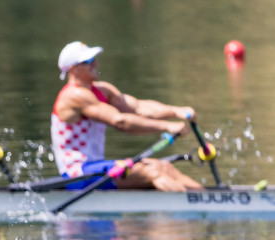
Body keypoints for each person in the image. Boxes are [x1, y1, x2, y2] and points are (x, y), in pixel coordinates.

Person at [51, 41, 203, 191]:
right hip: (77, 174)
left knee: (165, 166)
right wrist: (168, 126)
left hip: (95, 168)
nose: (95, 64)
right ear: (73, 69)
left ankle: (207, 198)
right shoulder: (73, 95)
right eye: (88, 61)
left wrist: (176, 111)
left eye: (94, 59)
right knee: (154, 170)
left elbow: (139, 108)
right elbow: (120, 121)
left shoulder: (103, 90)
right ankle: (196, 209)